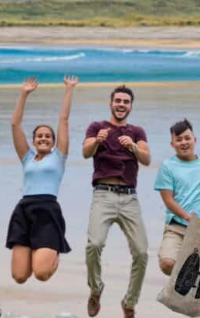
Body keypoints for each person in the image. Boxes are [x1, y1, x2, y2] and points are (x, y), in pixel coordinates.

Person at [82, 84, 150, 318]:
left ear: (131, 106)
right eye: (118, 101)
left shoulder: (137, 131)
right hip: (103, 194)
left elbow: (146, 158)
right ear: (111, 103)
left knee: (141, 252)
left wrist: (133, 147)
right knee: (94, 245)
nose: (121, 105)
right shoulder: (97, 127)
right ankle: (96, 289)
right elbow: (86, 152)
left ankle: (129, 302)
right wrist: (97, 141)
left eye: (126, 102)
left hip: (130, 198)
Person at [7, 75, 77, 283]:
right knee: (19, 276)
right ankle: (36, 253)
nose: (43, 138)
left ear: (54, 142)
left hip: (47, 211)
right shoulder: (27, 157)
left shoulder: (58, 156)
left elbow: (63, 120)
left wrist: (69, 89)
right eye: (39, 136)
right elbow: (15, 124)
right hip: (24, 211)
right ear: (34, 141)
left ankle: (52, 254)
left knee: (41, 274)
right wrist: (24, 94)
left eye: (48, 136)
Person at [154, 119, 200, 276]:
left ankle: (184, 284)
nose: (184, 142)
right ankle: (182, 278)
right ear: (172, 144)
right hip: (176, 227)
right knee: (167, 263)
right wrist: (188, 217)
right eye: (179, 139)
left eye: (187, 138)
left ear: (195, 140)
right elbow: (168, 200)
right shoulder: (167, 166)